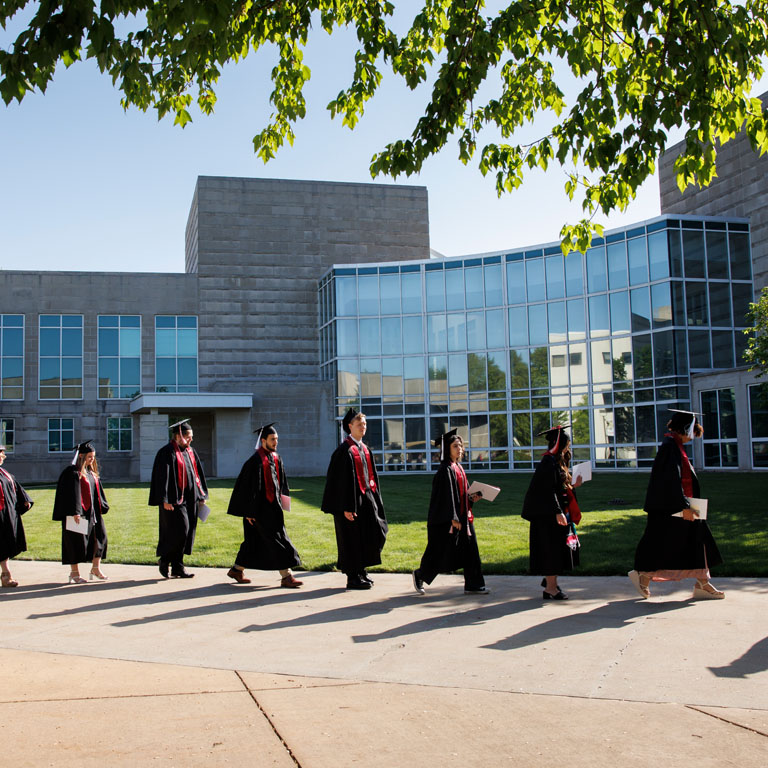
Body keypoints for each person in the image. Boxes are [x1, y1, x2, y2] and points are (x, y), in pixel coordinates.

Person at [628, 409, 724, 600]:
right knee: (666, 544)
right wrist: (684, 506)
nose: (692, 438)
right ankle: (644, 575)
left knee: (697, 541)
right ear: (686, 429)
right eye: (693, 433)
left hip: (684, 503)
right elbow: (669, 480)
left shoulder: (674, 446)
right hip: (672, 506)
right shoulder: (669, 447)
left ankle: (701, 583)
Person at [226, 423, 303, 588]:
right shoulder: (254, 462)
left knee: (253, 543)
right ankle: (286, 576)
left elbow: (282, 483)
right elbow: (246, 489)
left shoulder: (276, 457)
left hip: (273, 508)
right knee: (278, 541)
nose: (276, 442)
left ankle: (236, 570)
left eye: (277, 439)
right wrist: (249, 512)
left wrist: (284, 501)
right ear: (263, 441)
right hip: (258, 511)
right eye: (272, 439)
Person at [412, 430, 488, 596]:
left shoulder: (458, 467)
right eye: (455, 446)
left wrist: (473, 497)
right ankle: (420, 574)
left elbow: (462, 494)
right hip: (449, 521)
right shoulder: (444, 470)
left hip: (464, 518)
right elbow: (445, 497)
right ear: (447, 449)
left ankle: (474, 585)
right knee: (441, 554)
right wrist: (452, 518)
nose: (459, 448)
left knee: (471, 552)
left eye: (460, 445)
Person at [321, 408, 388, 590]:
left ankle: (361, 570)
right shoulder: (344, 451)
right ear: (349, 426)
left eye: (364, 424)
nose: (363, 427)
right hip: (350, 504)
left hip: (366, 501)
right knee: (351, 539)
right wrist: (347, 506)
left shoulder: (364, 449)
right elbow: (340, 483)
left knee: (370, 534)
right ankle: (352, 576)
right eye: (359, 424)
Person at [522, 425, 583, 600]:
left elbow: (558, 487)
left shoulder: (555, 462)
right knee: (551, 551)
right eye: (567, 445)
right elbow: (546, 490)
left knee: (556, 550)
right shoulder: (547, 463)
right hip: (547, 517)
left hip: (556, 513)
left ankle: (551, 583)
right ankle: (550, 589)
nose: (567, 449)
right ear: (560, 444)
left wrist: (574, 485)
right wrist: (557, 512)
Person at [149, 419, 209, 579]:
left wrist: (201, 495)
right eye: (188, 436)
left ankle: (178, 567)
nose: (191, 439)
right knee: (180, 531)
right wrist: (165, 499)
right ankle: (165, 559)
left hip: (191, 499)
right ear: (178, 436)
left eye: (191, 436)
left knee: (188, 532)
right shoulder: (167, 452)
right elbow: (162, 478)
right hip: (175, 500)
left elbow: (197, 475)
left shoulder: (190, 451)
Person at [52, 440, 110, 583]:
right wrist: (75, 511)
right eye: (89, 456)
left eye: (93, 457)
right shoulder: (71, 473)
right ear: (81, 456)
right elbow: (70, 494)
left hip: (93, 513)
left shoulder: (91, 473)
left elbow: (97, 492)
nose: (92, 459)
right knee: (75, 542)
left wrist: (102, 506)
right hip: (77, 513)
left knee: (100, 539)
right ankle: (74, 572)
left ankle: (95, 568)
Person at [0, 444, 34, 588]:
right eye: (1, 453)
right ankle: (6, 575)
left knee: (3, 546)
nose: (4, 456)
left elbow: (14, 485)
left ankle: (6, 575)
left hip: (6, 516)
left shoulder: (3, 472)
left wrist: (24, 500)